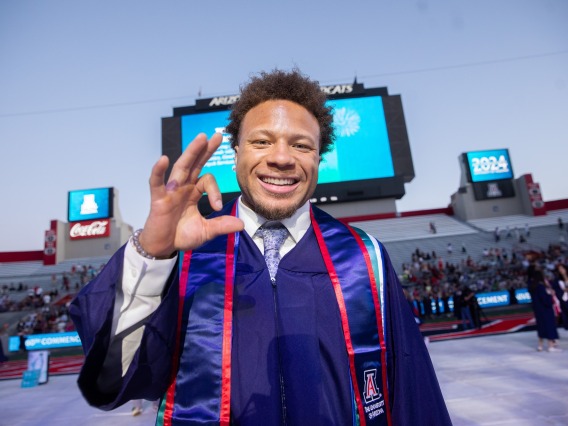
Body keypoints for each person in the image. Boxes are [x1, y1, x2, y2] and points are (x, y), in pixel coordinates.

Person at [70, 69, 451, 425]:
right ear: (236, 154)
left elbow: (414, 393)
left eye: (301, 145)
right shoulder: (184, 260)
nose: (281, 158)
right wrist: (151, 253)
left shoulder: (363, 259)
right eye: (261, 141)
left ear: (319, 157)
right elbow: (113, 380)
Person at [527, 267, 561, 352]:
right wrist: (550, 295)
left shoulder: (532, 287)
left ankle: (540, 345)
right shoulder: (541, 287)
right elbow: (545, 300)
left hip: (538, 310)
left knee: (541, 327)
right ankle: (550, 346)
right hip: (545, 309)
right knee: (549, 326)